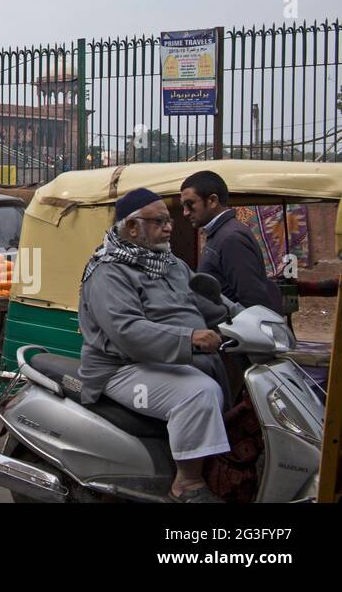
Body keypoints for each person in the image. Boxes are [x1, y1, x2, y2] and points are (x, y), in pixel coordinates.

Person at [78, 187, 231, 503]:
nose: (169, 226)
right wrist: (188, 338)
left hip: (164, 359)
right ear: (133, 227)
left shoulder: (168, 263)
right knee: (198, 393)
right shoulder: (108, 271)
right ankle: (187, 485)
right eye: (159, 221)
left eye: (169, 220)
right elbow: (128, 331)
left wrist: (251, 316)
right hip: (122, 367)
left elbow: (208, 300)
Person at [180, 170, 284, 312]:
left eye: (190, 204)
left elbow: (253, 300)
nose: (185, 212)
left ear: (212, 201)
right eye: (183, 206)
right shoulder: (220, 234)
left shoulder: (231, 238)